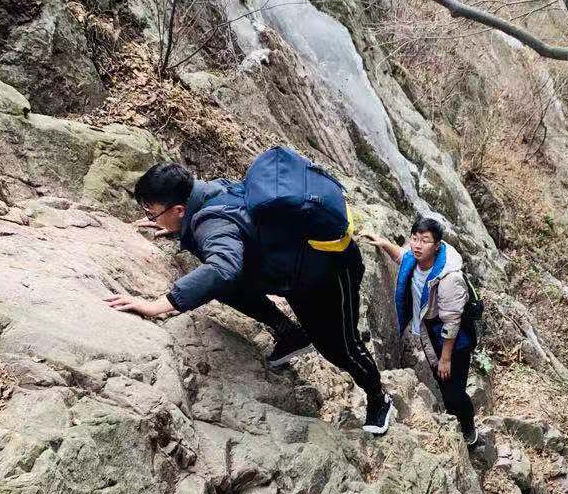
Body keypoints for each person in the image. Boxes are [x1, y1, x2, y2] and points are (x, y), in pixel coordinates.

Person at [105, 162, 393, 434]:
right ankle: (290, 334)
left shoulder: (209, 222)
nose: (149, 217)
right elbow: (231, 230)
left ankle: (379, 397)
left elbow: (222, 265)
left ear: (180, 209)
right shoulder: (210, 190)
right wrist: (173, 226)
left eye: (152, 212)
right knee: (223, 285)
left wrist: (160, 304)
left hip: (329, 274)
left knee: (339, 348)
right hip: (294, 268)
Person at [364, 217, 478, 447]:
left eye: (425, 241)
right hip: (430, 334)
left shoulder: (448, 278)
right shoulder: (416, 260)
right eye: (414, 238)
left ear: (436, 245)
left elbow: (452, 321)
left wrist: (445, 358)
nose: (417, 245)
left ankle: (468, 428)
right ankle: (454, 415)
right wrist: (383, 243)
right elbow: (402, 257)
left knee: (455, 392)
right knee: (444, 385)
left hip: (453, 341)